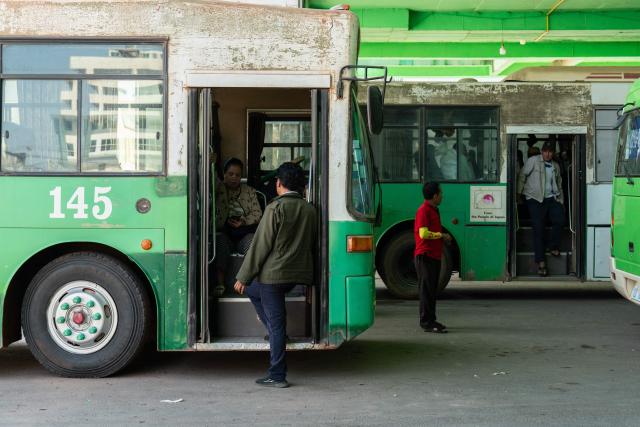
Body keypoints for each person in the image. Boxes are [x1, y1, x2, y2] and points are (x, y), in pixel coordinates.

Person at [233, 162, 316, 388]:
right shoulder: (310, 209)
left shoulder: (275, 208)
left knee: (277, 325)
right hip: (296, 275)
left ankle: (277, 374)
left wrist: (243, 276)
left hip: (273, 277)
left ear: (278, 183)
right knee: (253, 291)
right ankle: (274, 333)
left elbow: (260, 245)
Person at [214, 157, 262, 295]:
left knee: (253, 243)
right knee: (220, 242)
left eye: (238, 175)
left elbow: (258, 214)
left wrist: (243, 221)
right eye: (230, 174)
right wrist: (210, 163)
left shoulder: (249, 191)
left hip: (244, 233)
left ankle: (251, 283)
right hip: (225, 232)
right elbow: (210, 179)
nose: (234, 178)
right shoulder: (218, 188)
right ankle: (220, 284)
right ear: (224, 174)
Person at [517, 141, 564, 276]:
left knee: (560, 219)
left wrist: (561, 200)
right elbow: (522, 176)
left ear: (552, 153)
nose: (547, 154)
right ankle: (541, 263)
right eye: (545, 151)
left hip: (551, 198)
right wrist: (518, 194)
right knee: (539, 229)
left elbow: (559, 183)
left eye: (550, 152)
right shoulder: (533, 161)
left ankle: (552, 245)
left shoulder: (555, 165)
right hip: (534, 199)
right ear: (542, 151)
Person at [414, 182, 451, 333]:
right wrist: (441, 235)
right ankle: (426, 322)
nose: (442, 196)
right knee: (426, 290)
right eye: (440, 193)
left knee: (431, 290)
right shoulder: (423, 211)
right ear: (435, 195)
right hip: (425, 256)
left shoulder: (433, 210)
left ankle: (431, 319)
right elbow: (423, 233)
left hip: (433, 256)